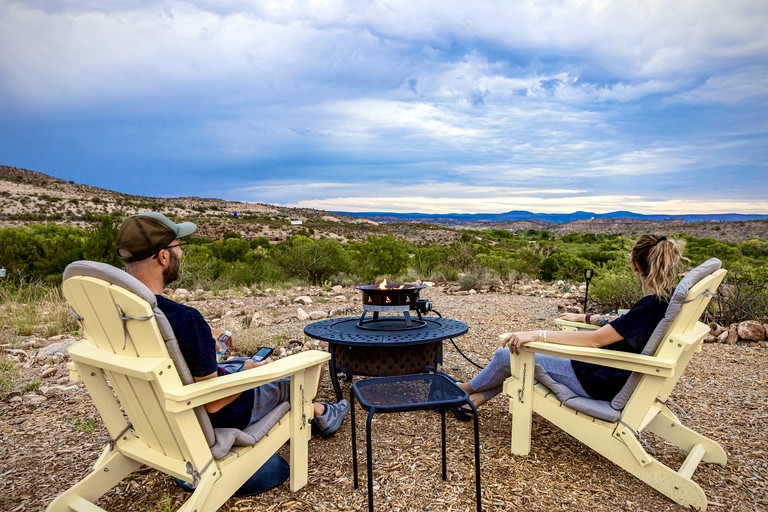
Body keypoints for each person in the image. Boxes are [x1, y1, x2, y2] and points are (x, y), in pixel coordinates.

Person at [115, 211, 349, 435]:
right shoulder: (186, 319)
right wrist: (246, 375)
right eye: (178, 247)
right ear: (163, 256)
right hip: (227, 411)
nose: (181, 254)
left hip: (165, 408)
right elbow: (214, 403)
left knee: (240, 363)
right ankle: (323, 412)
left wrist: (205, 336)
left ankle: (318, 410)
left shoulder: (121, 309)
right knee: (310, 368)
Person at [453, 234, 683, 419]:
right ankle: (475, 400)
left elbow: (595, 340)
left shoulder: (649, 308)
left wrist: (537, 334)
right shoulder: (663, 303)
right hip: (606, 374)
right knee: (523, 359)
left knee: (508, 355)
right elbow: (619, 324)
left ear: (634, 266)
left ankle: (462, 390)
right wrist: (586, 318)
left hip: (596, 380)